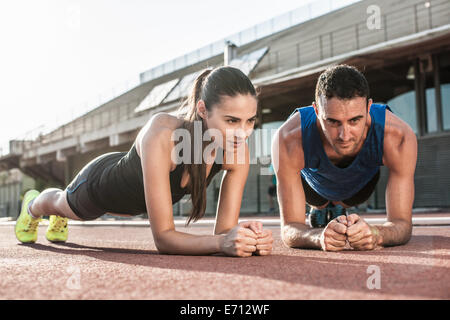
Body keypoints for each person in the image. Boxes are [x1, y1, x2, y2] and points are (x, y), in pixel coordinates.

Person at [15, 66, 273, 257]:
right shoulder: (163, 134)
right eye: (231, 120)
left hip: (131, 197)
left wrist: (246, 239)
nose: (243, 132)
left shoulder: (237, 150)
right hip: (99, 188)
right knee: (60, 203)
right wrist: (221, 243)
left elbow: (224, 234)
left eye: (249, 120)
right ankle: (33, 207)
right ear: (204, 110)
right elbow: (164, 239)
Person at [272, 64, 417, 251]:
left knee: (343, 203)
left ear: (369, 108)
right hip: (313, 188)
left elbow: (402, 224)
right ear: (316, 111)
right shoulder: (289, 138)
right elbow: (290, 229)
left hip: (359, 186)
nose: (344, 135)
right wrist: (318, 238)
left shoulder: (397, 135)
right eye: (332, 121)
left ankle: (337, 208)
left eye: (355, 120)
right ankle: (322, 208)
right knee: (320, 203)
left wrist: (375, 234)